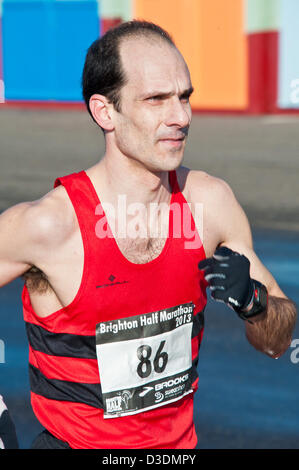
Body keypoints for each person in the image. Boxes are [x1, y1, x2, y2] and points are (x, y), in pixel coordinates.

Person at [0, 20, 296, 449]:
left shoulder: (208, 205)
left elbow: (279, 340)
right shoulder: (49, 225)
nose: (180, 117)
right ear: (105, 111)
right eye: (156, 100)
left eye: (184, 97)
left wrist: (253, 301)